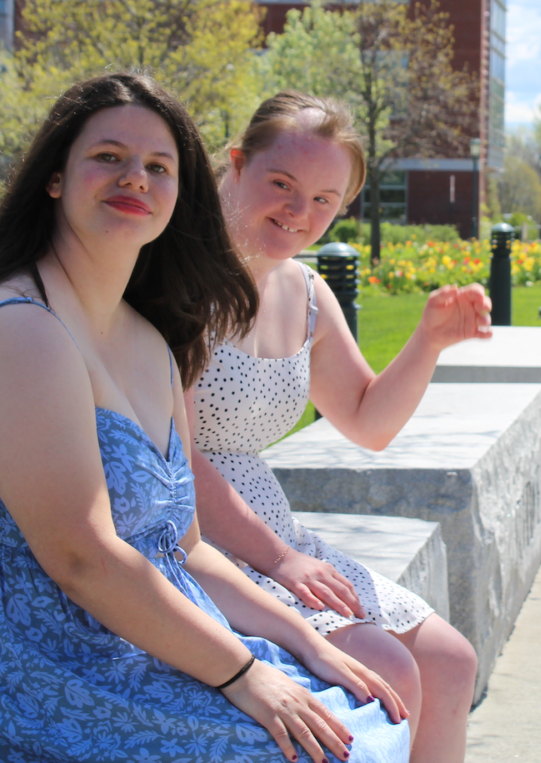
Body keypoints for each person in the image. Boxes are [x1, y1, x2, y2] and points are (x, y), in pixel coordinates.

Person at [0, 74, 411, 763]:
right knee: (324, 751)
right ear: (56, 177)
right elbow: (81, 557)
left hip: (141, 636)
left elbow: (186, 548)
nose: (135, 178)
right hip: (30, 671)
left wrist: (304, 637)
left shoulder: (148, 341)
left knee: (369, 713)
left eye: (159, 166)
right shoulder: (18, 326)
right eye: (109, 157)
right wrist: (244, 674)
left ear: (181, 194)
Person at [188, 92, 492, 763]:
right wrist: (280, 560)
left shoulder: (306, 291)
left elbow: (366, 420)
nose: (301, 212)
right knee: (388, 673)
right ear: (237, 165)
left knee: (450, 659)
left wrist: (429, 340)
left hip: (273, 532)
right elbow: (174, 458)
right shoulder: (175, 284)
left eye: (325, 200)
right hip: (198, 537)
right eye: (282, 185)